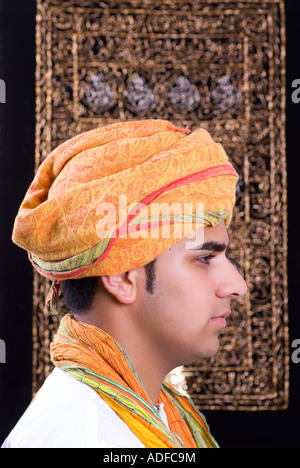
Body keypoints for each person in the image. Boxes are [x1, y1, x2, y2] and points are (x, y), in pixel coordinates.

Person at [2, 119, 247, 448]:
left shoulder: (133, 412)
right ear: (121, 277)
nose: (237, 285)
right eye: (204, 258)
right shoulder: (84, 437)